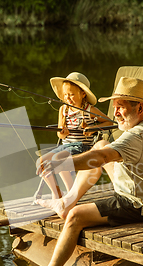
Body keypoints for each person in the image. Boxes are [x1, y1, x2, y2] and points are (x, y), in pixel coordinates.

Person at [11, 77, 143, 266]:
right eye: (115, 108)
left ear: (140, 108)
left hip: (140, 204)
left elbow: (101, 158)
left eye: (121, 108)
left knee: (75, 216)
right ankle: (67, 200)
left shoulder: (136, 137)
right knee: (102, 143)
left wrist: (61, 163)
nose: (115, 114)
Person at [36, 72, 113, 200]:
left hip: (83, 146)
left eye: (72, 94)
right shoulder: (63, 110)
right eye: (65, 95)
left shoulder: (89, 110)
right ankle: (57, 193)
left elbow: (109, 122)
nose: (68, 98)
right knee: (41, 161)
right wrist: (62, 133)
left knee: (57, 160)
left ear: (83, 94)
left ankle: (72, 193)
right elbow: (59, 134)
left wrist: (93, 128)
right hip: (66, 145)